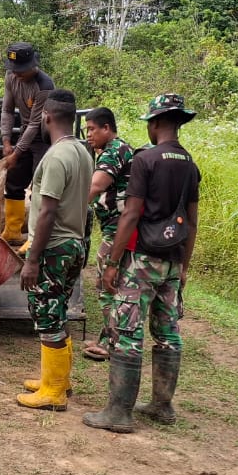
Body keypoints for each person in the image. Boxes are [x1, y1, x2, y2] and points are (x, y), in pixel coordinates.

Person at [84, 94, 200, 434]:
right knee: (168, 332)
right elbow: (192, 222)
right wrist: (185, 267)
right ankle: (162, 405)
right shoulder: (189, 163)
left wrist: (113, 262)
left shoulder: (145, 160)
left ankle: (119, 412)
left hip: (143, 261)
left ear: (156, 123)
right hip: (174, 260)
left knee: (128, 332)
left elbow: (131, 213)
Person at [16, 89, 92, 411]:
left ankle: (53, 393)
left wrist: (32, 259)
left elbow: (47, 211)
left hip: (54, 247)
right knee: (57, 312)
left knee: (47, 316)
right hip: (73, 243)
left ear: (46, 116)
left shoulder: (58, 156)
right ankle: (57, 380)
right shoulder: (83, 152)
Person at [81, 108, 133, 362]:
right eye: (86, 129)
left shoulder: (114, 151)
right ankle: (108, 336)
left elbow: (96, 186)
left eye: (92, 129)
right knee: (108, 283)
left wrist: (69, 212)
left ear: (107, 128)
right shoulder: (117, 149)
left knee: (108, 283)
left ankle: (111, 342)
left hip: (117, 227)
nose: (88, 134)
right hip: (115, 225)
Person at [0, 42, 56, 246]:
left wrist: (16, 152)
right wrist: (6, 141)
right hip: (24, 132)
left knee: (40, 186)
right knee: (13, 180)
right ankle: (12, 230)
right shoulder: (11, 77)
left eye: (21, 70)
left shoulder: (44, 85)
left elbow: (34, 123)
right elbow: (6, 110)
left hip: (43, 136)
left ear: (33, 65)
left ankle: (34, 238)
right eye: (14, 69)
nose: (17, 74)